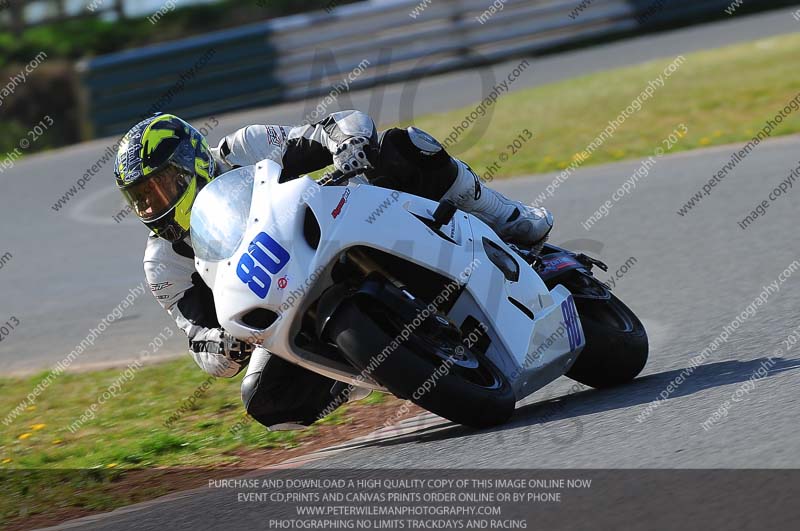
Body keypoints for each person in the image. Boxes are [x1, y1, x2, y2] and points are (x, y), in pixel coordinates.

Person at [114, 110, 553, 430]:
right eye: (141, 198)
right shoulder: (163, 263)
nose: (153, 205)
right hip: (283, 305)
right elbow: (197, 340)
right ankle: (376, 369)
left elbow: (331, 126)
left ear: (191, 161)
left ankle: (508, 217)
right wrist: (224, 347)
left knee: (404, 148)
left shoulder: (242, 148)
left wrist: (347, 145)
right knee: (266, 400)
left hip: (325, 228)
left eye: (160, 186)